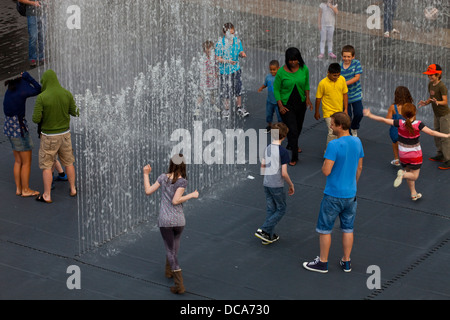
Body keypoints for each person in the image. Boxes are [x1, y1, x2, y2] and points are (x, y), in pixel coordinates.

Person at [303, 112, 364, 273]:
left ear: (339, 126)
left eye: (332, 124)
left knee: (325, 229)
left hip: (333, 195)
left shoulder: (334, 145)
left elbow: (326, 171)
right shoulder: (357, 142)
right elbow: (359, 167)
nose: (330, 126)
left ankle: (323, 262)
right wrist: (353, 185)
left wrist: (325, 162)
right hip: (351, 195)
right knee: (348, 228)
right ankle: (346, 261)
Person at [364, 104, 450, 200]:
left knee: (409, 171)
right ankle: (403, 175)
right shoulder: (418, 124)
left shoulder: (400, 123)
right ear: (415, 113)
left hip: (403, 155)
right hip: (415, 156)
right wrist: (446, 135)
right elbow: (432, 132)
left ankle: (413, 193)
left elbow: (384, 120)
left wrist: (370, 115)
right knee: (414, 176)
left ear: (403, 114)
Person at [142, 154, 199, 294]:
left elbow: (148, 191)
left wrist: (145, 174)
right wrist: (191, 195)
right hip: (179, 220)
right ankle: (169, 271)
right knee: (174, 246)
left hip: (165, 220)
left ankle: (179, 285)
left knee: (170, 250)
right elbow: (176, 200)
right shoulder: (182, 182)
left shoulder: (163, 177)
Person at [32, 69, 79, 203]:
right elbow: (75, 112)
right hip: (65, 135)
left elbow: (35, 119)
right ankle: (72, 188)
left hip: (49, 136)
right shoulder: (66, 93)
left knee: (47, 165)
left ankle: (47, 195)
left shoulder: (42, 97)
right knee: (69, 163)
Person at [255, 122, 295, 244]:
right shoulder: (283, 152)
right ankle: (264, 229)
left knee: (271, 209)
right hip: (276, 184)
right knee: (281, 208)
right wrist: (291, 184)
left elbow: (262, 166)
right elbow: (284, 173)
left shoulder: (267, 148)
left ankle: (268, 236)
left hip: (266, 183)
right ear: (284, 136)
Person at [3, 72, 41, 197]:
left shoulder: (10, 90)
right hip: (19, 129)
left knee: (18, 161)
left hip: (9, 128)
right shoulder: (22, 90)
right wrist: (28, 76)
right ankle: (26, 190)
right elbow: (38, 89)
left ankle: (19, 189)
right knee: (26, 162)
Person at [274, 47, 313, 166]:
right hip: (286, 105)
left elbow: (306, 85)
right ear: (287, 60)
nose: (293, 62)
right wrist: (280, 105)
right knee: (293, 130)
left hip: (300, 103)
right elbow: (276, 89)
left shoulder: (304, 69)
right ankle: (294, 157)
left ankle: (291, 143)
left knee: (299, 127)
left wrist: (307, 99)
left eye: (295, 60)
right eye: (290, 60)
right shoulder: (281, 72)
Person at [418, 64, 449, 170]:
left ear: (438, 75)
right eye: (429, 75)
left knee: (445, 137)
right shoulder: (430, 84)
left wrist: (438, 102)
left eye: (432, 75)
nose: (430, 77)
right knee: (436, 134)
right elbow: (431, 98)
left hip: (445, 115)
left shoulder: (442, 86)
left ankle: (448, 159)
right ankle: (440, 154)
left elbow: (445, 102)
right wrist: (425, 103)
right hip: (437, 115)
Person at [215, 22, 249, 119]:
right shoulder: (220, 44)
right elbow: (218, 58)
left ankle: (239, 107)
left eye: (233, 33)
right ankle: (226, 110)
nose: (232, 35)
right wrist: (228, 61)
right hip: (224, 72)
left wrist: (242, 54)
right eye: (230, 33)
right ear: (225, 33)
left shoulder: (237, 41)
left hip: (236, 70)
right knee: (226, 90)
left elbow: (240, 51)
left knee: (238, 88)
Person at [314, 63, 348, 149]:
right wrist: (317, 112)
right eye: (334, 75)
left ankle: (337, 150)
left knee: (339, 131)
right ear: (328, 72)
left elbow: (345, 94)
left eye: (338, 75)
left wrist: (346, 109)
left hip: (339, 111)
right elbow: (318, 98)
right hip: (328, 112)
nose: (336, 77)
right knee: (332, 132)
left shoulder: (342, 79)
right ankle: (328, 153)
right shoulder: (322, 83)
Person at [386, 86, 413, 166]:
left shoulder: (393, 107)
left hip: (395, 131)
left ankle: (396, 159)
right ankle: (408, 160)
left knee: (395, 143)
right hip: (406, 131)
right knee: (406, 145)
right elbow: (413, 119)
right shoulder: (410, 107)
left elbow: (388, 120)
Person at [340, 45, 363, 137]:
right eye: (344, 56)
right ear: (342, 56)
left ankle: (354, 126)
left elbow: (357, 77)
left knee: (359, 113)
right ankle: (348, 134)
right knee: (347, 116)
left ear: (353, 57)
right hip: (344, 96)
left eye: (349, 56)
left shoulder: (356, 63)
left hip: (356, 94)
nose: (346, 58)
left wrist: (344, 83)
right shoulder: (339, 66)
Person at [18, 0, 45, 67]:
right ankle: (32, 58)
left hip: (43, 13)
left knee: (41, 36)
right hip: (31, 14)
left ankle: (41, 57)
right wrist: (33, 3)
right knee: (33, 37)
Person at [196, 40, 220, 117]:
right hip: (205, 80)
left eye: (211, 48)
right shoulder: (203, 59)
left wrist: (217, 73)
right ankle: (197, 108)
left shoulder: (214, 57)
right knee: (201, 95)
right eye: (208, 49)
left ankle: (213, 105)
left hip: (213, 80)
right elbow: (203, 72)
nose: (209, 50)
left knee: (213, 94)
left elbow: (216, 66)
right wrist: (211, 75)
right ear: (204, 50)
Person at [258, 60, 282, 133]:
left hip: (278, 102)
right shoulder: (268, 77)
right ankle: (269, 126)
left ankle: (280, 127)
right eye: (270, 70)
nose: (272, 71)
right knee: (269, 114)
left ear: (278, 68)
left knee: (280, 116)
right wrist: (261, 88)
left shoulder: (280, 77)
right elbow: (265, 84)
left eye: (274, 70)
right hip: (270, 101)